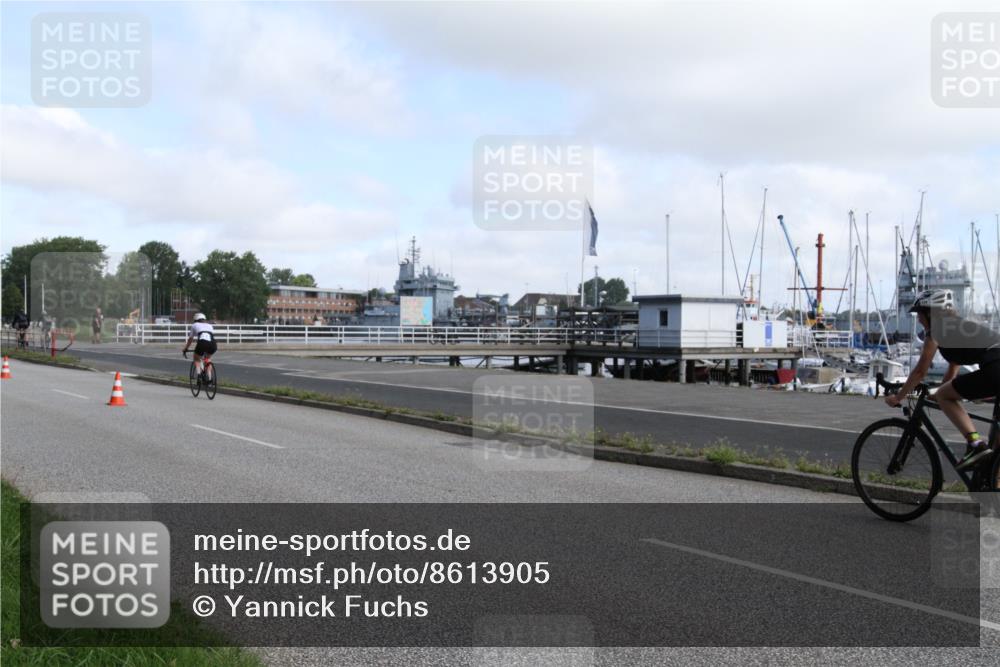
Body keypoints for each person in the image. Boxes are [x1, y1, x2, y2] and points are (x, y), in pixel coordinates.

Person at [886, 289, 1000, 470]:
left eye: (920, 314)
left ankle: (975, 444)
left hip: (995, 367)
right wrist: (939, 391)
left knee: (945, 396)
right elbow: (953, 369)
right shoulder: (955, 327)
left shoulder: (937, 331)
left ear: (931, 313)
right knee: (994, 460)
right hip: (995, 367)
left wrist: (898, 397)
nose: (918, 319)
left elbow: (920, 372)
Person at [182, 313, 217, 381]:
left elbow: (190, 339)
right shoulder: (209, 325)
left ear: (195, 320)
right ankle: (209, 378)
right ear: (204, 319)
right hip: (213, 344)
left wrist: (186, 348)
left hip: (202, 343)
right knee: (208, 359)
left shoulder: (194, 325)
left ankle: (199, 375)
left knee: (196, 358)